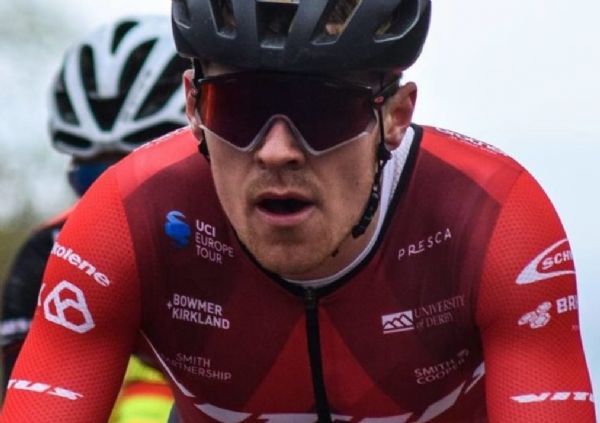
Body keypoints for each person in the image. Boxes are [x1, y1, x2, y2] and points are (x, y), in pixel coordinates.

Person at [1, 1, 595, 422]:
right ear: (194, 108)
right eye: (239, 108)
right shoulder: (125, 218)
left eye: (322, 111)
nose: (277, 151)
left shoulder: (492, 221)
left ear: (394, 116)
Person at [0, 14, 189, 422]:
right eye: (93, 179)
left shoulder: (272, 235)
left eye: (146, 177)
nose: (115, 202)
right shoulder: (44, 254)